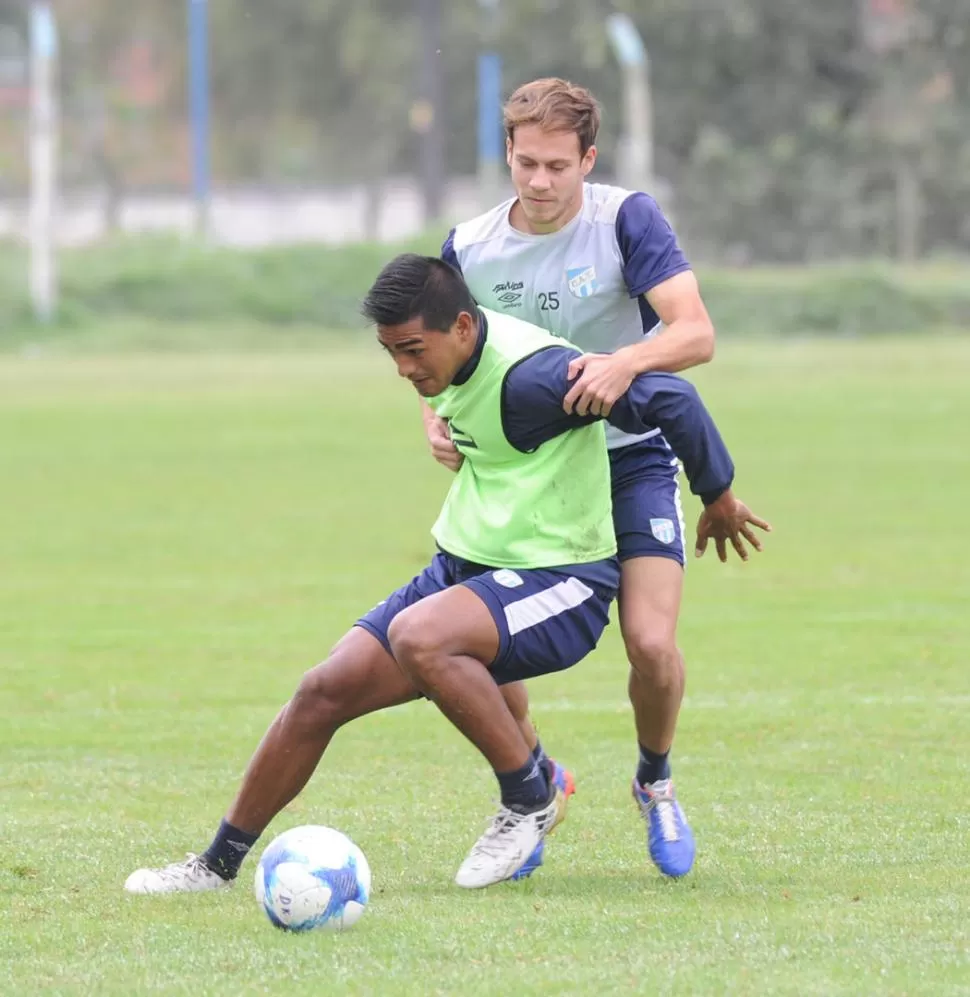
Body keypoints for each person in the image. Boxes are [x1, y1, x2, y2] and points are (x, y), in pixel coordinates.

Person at [124, 254, 757, 895]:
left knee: (421, 636)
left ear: (460, 327)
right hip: (468, 565)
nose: (403, 368)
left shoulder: (534, 380)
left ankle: (528, 795)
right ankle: (216, 866)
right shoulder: (455, 360)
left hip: (561, 580)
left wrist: (719, 496)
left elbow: (670, 395)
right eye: (390, 352)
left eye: (412, 350)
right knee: (322, 691)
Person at [429, 78, 770, 879]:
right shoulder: (470, 247)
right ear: (506, 155)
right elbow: (439, 357)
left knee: (651, 642)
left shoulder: (623, 220)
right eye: (524, 164)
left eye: (557, 166)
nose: (540, 183)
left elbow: (695, 334)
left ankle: (654, 778)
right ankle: (537, 778)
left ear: (588, 158)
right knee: (481, 648)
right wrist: (438, 418)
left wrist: (627, 361)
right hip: (525, 475)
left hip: (631, 459)